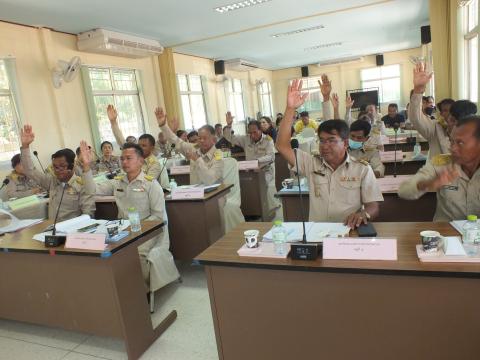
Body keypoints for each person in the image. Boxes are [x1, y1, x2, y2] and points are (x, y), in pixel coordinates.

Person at [276, 79, 383, 228]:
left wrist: (363, 214)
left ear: (345, 143)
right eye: (322, 140)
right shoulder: (312, 164)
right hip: (318, 235)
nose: (325, 146)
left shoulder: (362, 169)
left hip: (349, 232)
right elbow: (282, 146)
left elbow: (373, 206)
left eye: (332, 140)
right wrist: (290, 109)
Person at [94, 143, 179, 288]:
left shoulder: (151, 184)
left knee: (136, 255)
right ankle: (120, 288)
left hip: (147, 232)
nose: (124, 162)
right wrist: (84, 168)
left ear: (140, 161)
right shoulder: (117, 181)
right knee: (104, 252)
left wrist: (136, 229)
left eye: (129, 158)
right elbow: (93, 190)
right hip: (122, 231)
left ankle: (141, 292)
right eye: (122, 159)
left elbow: (158, 217)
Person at [398, 115, 480, 221]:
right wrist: (428, 184)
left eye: (460, 143)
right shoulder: (441, 162)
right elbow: (403, 191)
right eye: (452, 141)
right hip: (446, 232)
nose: (452, 148)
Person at [20, 125, 95, 222]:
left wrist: (86, 165)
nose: (57, 170)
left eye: (62, 166)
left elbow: (88, 215)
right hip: (52, 231)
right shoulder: (52, 182)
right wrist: (25, 146)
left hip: (72, 232)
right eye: (55, 167)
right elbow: (30, 170)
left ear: (72, 166)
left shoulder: (81, 185)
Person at [409, 62, 477, 158]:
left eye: (457, 120)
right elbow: (415, 118)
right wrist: (418, 90)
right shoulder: (435, 129)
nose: (449, 118)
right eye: (451, 117)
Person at [224, 114, 281, 219]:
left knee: (267, 192)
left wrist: (257, 161)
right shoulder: (246, 139)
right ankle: (253, 212)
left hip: (266, 171)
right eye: (250, 133)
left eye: (255, 132)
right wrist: (229, 125)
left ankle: (270, 212)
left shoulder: (268, 140)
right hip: (250, 172)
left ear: (260, 130)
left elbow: (271, 157)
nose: (252, 135)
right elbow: (230, 138)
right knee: (247, 189)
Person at [155, 107, 223, 185]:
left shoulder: (219, 155)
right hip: (195, 193)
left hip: (214, 194)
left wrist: (198, 160)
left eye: (205, 138)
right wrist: (163, 125)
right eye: (200, 138)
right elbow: (175, 141)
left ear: (214, 139)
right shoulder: (194, 148)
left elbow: (210, 180)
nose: (201, 141)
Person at [107, 105, 166, 185]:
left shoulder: (154, 164)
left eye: (144, 146)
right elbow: (121, 140)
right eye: (139, 145)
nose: (140, 148)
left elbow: (146, 185)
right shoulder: (134, 154)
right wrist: (113, 122)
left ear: (152, 148)